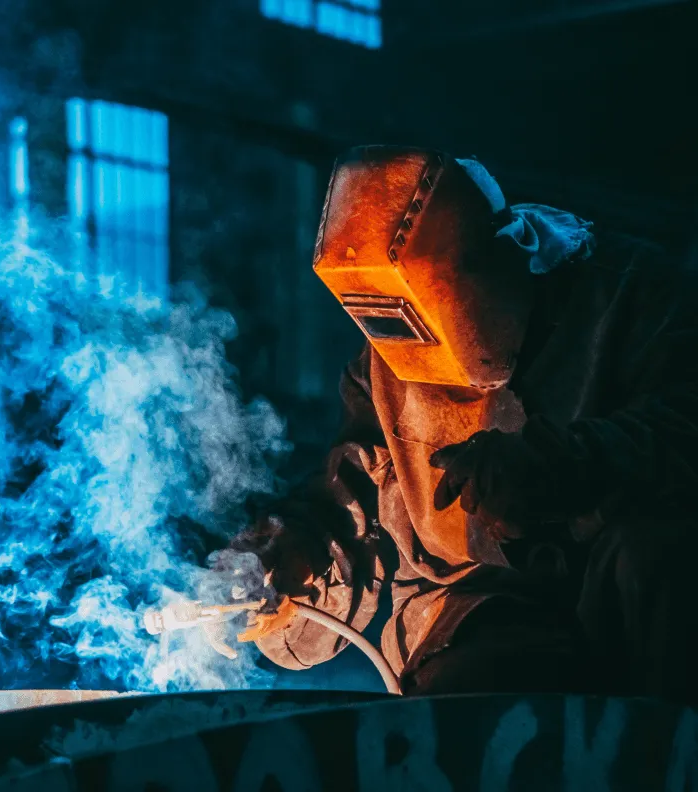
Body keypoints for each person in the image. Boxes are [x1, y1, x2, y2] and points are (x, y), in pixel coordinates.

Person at [230, 145, 698, 701]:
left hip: (627, 603)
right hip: (482, 609)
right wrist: (292, 556)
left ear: (500, 259)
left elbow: (682, 429)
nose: (422, 359)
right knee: (468, 709)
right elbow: (358, 503)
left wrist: (565, 464)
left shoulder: (636, 300)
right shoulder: (387, 355)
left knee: (655, 558)